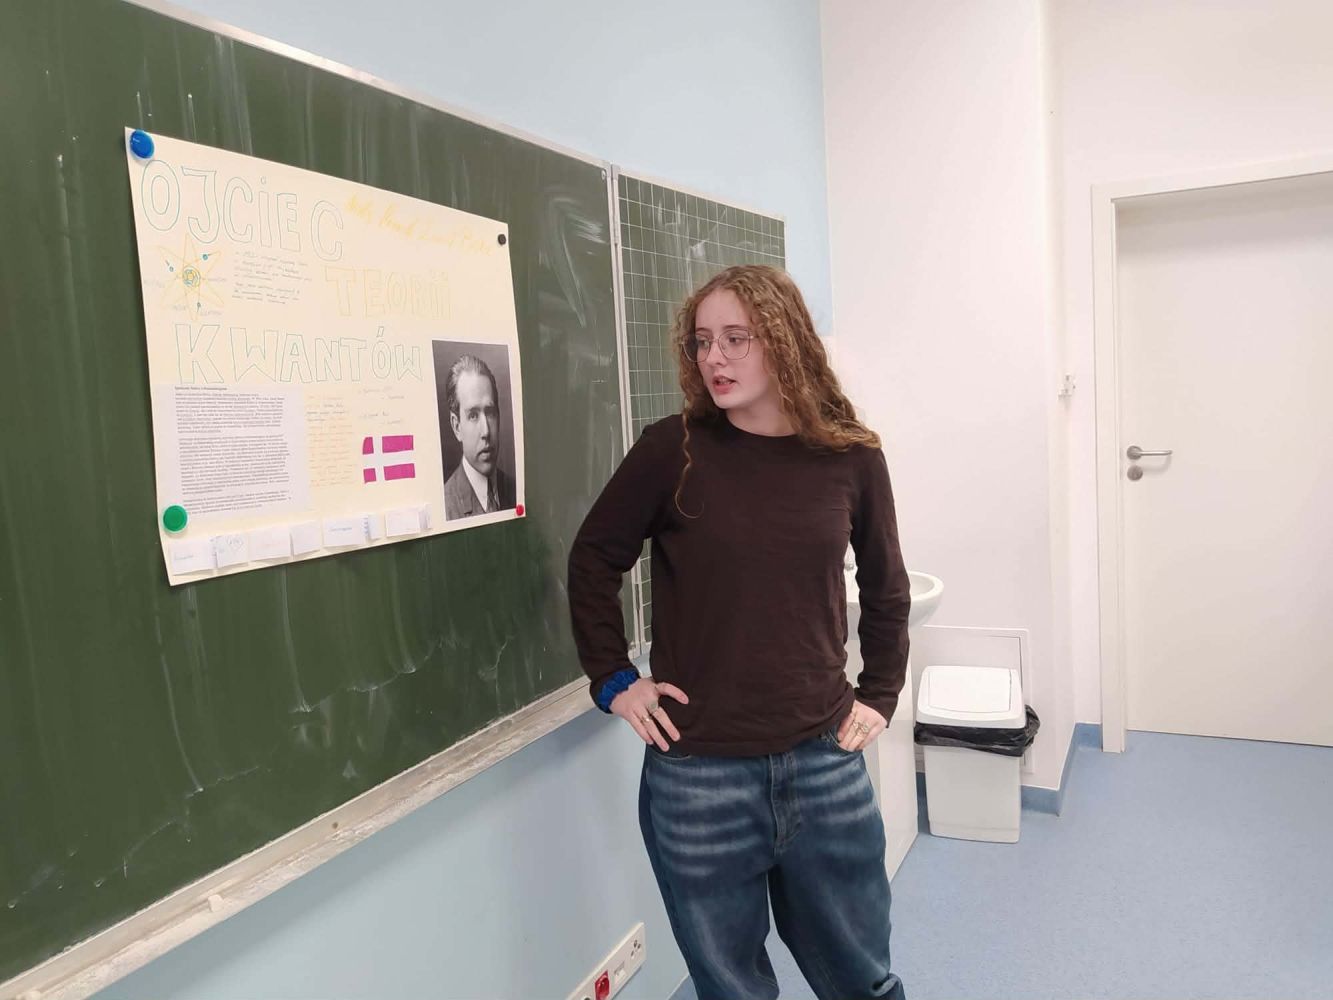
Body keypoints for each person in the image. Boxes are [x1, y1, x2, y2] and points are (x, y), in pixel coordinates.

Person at [568, 265, 912, 1000]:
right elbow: (593, 559)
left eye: (735, 339)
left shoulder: (851, 457)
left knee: (863, 980)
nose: (713, 359)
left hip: (823, 760)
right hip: (698, 775)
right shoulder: (673, 450)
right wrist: (615, 680)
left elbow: (886, 586)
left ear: (784, 342)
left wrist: (880, 692)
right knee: (733, 989)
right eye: (701, 342)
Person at [442, 354, 516, 519]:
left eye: (490, 413)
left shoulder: (516, 490)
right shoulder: (445, 507)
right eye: (473, 415)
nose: (486, 432)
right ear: (456, 426)